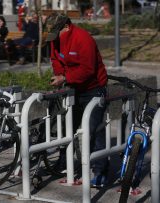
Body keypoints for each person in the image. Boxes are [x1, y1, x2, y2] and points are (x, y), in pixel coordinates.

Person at [45, 13, 108, 188]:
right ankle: (65, 162)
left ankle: (100, 170)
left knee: (94, 129)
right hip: (74, 88)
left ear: (66, 26)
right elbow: (55, 59)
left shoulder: (83, 38)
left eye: (57, 33)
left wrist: (64, 77)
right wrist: (59, 73)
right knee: (67, 127)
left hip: (93, 88)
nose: (54, 39)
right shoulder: (55, 38)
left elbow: (88, 69)